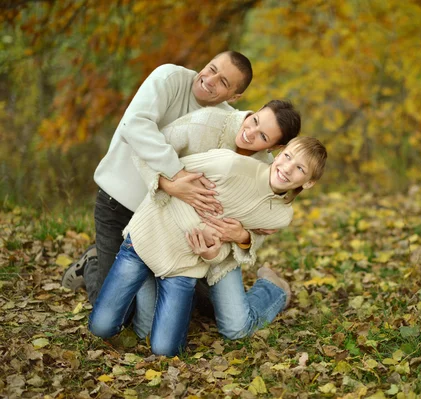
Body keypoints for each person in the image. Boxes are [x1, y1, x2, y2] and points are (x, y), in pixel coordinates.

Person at [89, 137, 328, 356]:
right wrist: (194, 226)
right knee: (101, 327)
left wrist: (214, 253)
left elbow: (225, 244)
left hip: (187, 265)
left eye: (300, 169)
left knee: (165, 349)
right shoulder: (230, 164)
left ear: (309, 183)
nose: (287, 168)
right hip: (147, 240)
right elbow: (169, 173)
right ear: (279, 153)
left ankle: (269, 290)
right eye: (288, 157)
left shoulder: (279, 215)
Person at [61, 51, 257, 305]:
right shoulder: (170, 77)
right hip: (119, 204)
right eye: (211, 69)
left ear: (234, 96)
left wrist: (269, 203)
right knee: (116, 309)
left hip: (163, 221)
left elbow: (249, 165)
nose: (210, 80)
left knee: (208, 305)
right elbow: (135, 125)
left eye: (223, 82)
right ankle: (94, 260)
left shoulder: (227, 120)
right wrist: (176, 175)